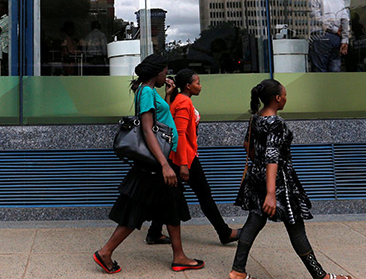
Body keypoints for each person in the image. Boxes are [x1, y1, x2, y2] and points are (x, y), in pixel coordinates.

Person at [229, 79, 351, 279]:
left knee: (254, 220)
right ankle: (320, 275)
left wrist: (258, 164)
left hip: (257, 177)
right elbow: (272, 157)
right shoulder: (276, 123)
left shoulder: (256, 118)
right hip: (279, 183)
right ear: (277, 98)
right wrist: (270, 193)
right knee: (296, 227)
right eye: (284, 95)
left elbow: (247, 145)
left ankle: (238, 270)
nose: (286, 98)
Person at [94, 55, 204, 274]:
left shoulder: (150, 92)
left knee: (170, 206)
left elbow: (159, 120)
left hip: (159, 163)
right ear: (157, 73)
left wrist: (167, 96)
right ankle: (105, 252)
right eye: (165, 71)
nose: (167, 75)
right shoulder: (145, 92)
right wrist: (164, 164)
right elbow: (147, 129)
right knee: (134, 211)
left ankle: (179, 256)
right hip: (155, 166)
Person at [145, 69, 240, 246]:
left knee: (169, 195)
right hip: (185, 157)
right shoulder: (182, 102)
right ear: (188, 86)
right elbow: (179, 135)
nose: (200, 86)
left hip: (181, 156)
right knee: (204, 195)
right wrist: (183, 164)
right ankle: (224, 232)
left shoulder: (181, 100)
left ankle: (154, 232)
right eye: (197, 83)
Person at [308, 0, 350, 72]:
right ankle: (334, 86)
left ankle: (323, 86)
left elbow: (316, 17)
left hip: (321, 36)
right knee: (335, 70)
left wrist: (334, 29)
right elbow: (345, 20)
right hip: (336, 38)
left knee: (320, 70)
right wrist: (345, 40)